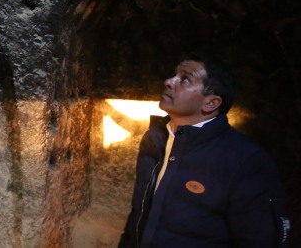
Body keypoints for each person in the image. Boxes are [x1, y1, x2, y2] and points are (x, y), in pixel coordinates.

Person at [119, 52, 291, 248]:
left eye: (185, 79)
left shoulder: (246, 162)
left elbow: (258, 240)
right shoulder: (156, 139)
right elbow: (138, 215)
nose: (168, 81)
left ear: (211, 102)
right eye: (174, 75)